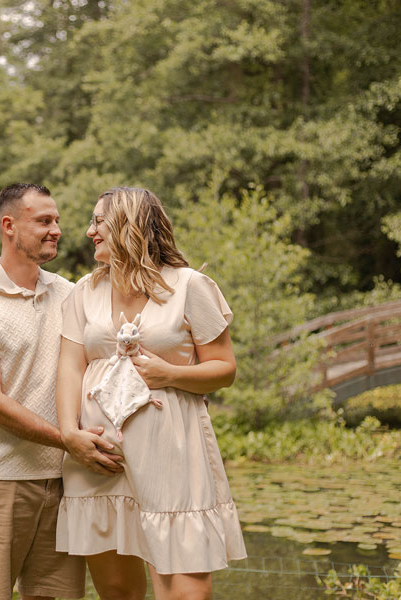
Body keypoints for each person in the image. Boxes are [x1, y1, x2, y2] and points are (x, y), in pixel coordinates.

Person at [55, 187, 247, 600]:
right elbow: (71, 366)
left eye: (98, 221)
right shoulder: (83, 292)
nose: (90, 231)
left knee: (185, 589)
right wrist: (69, 433)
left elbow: (225, 368)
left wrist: (170, 373)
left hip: (171, 452)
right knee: (118, 590)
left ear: (128, 224)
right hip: (99, 457)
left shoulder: (189, 286)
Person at [0, 183, 116, 600]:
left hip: (65, 480)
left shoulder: (71, 293)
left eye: (57, 220)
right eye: (44, 221)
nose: (57, 229)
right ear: (9, 226)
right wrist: (67, 439)